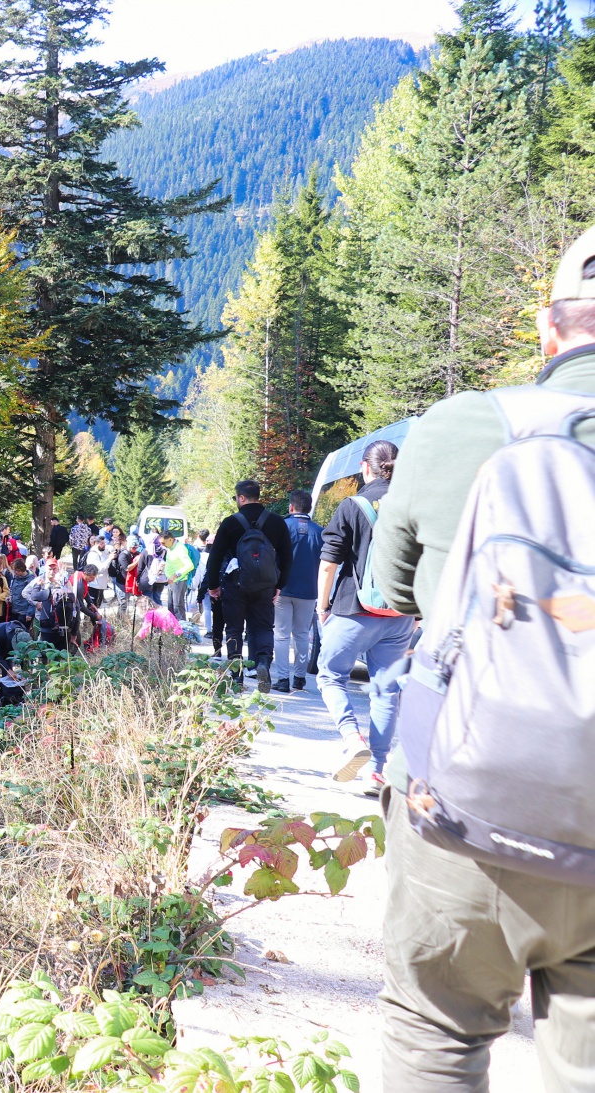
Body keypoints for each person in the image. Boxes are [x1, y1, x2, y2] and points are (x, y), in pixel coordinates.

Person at [365, 226, 595, 1092]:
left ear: (549, 329)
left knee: (436, 1030)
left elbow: (384, 594)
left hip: (471, 795)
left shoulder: (460, 423)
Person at [316, 441, 414, 789]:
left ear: (365, 466)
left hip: (353, 609)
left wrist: (323, 606)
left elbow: (329, 563)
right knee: (386, 691)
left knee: (330, 675)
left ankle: (352, 739)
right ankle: (377, 770)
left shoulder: (353, 504)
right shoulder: (413, 505)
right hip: (400, 614)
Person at [204, 480, 294, 692]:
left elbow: (214, 557)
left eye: (236, 498)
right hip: (265, 585)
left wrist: (213, 586)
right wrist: (279, 584)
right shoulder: (276, 522)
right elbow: (288, 557)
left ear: (241, 498)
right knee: (263, 627)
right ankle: (262, 663)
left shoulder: (230, 523)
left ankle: (237, 675)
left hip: (236, 583)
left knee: (234, 629)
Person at [273, 490, 324, 693]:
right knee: (302, 634)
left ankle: (283, 679)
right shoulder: (320, 532)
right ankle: (300, 678)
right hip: (309, 590)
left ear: (291, 507)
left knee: (282, 634)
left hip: (282, 590)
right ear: (309, 508)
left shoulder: (282, 528)